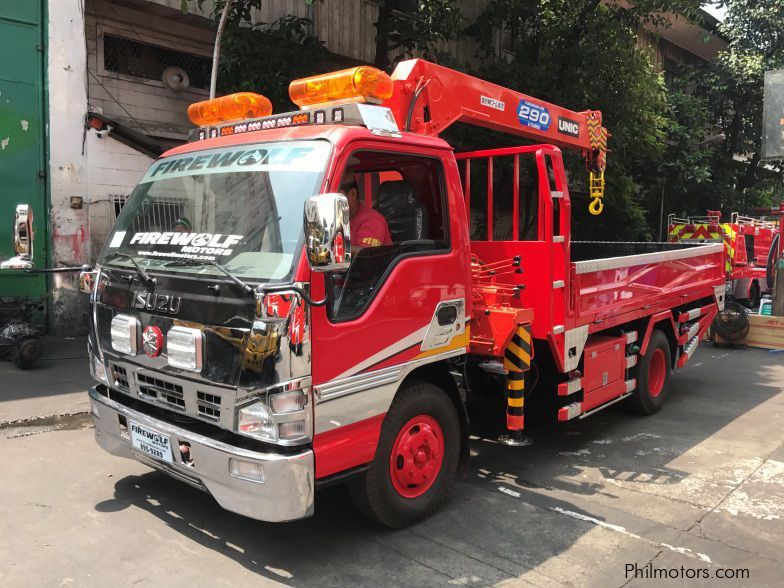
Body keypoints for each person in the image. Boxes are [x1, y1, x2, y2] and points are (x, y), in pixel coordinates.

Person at [340, 173, 392, 249]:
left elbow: (365, 252)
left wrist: (336, 249)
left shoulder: (373, 220)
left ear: (353, 194)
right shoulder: (340, 218)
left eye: (337, 197)